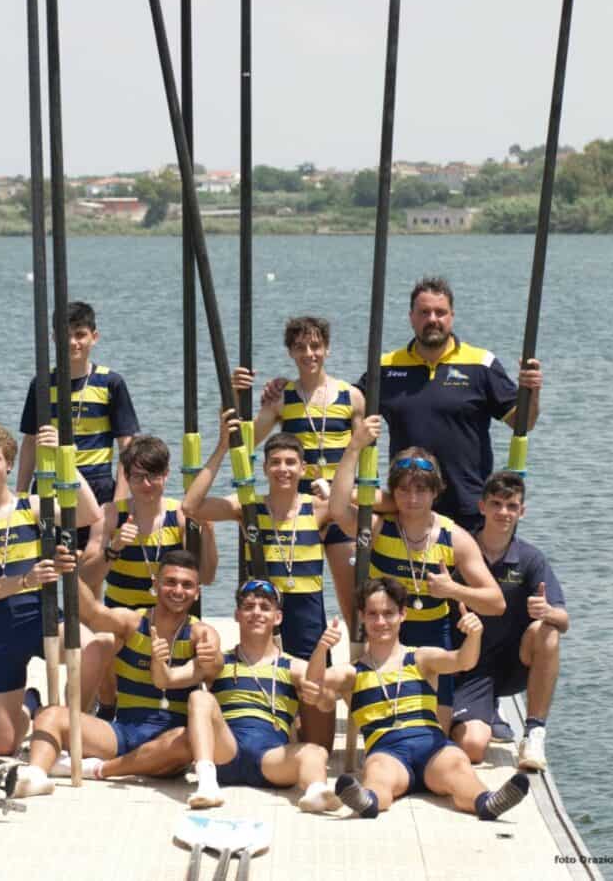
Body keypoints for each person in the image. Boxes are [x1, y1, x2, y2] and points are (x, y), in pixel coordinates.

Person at [0, 421, 113, 756]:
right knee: (4, 746)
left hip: (44, 619)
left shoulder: (33, 506)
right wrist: (24, 580)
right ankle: (31, 703)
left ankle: (72, 718)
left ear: (9, 463)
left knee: (98, 645)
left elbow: (89, 512)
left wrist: (63, 457)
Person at [302, 577, 530, 822]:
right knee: (378, 771)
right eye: (373, 614)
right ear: (363, 617)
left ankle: (487, 802)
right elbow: (314, 685)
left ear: (403, 615)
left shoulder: (421, 658)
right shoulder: (353, 673)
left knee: (457, 765)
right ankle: (368, 801)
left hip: (432, 747)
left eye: (389, 613)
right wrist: (321, 649)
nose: (381, 622)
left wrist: (474, 635)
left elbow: (463, 661)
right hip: (388, 750)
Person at [329, 415, 504, 730]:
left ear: (435, 492)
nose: (412, 499)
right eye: (404, 491)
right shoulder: (381, 527)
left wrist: (454, 590)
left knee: (435, 732)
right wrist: (354, 447)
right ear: (393, 493)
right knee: (387, 725)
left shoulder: (456, 538)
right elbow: (339, 509)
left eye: (421, 491)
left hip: (434, 637)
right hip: (386, 634)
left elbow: (496, 602)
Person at [7, 550, 222, 797]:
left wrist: (211, 654)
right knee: (50, 716)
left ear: (197, 592)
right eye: (170, 582)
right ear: (156, 585)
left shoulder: (201, 633)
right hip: (123, 732)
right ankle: (36, 776)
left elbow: (214, 666)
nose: (178, 591)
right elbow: (93, 614)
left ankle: (98, 769)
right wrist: (71, 571)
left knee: (188, 741)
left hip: (169, 744)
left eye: (187, 585)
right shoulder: (132, 622)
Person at [181, 413, 339, 749]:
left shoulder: (320, 509)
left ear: (303, 469)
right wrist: (223, 447)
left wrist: (336, 484)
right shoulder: (248, 507)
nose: (283, 469)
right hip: (265, 611)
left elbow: (368, 509)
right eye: (276, 462)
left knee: (320, 742)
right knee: (274, 698)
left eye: (291, 463)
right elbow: (191, 506)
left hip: (308, 613)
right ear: (265, 468)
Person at [354, 276, 543, 530]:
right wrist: (291, 387)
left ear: (451, 316)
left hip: (470, 508)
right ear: (411, 317)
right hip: (410, 507)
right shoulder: (387, 367)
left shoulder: (481, 364)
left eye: (440, 312)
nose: (433, 319)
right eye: (424, 312)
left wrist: (532, 391)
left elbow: (525, 422)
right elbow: (347, 406)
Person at [232, 315, 365, 621]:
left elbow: (364, 454)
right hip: (297, 511)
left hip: (340, 507)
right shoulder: (282, 398)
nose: (309, 354)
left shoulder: (351, 396)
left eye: (316, 346)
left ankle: (357, 662)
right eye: (300, 347)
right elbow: (243, 440)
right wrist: (234, 393)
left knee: (352, 599)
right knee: (290, 595)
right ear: (291, 352)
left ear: (327, 349)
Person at [81, 434, 218, 720]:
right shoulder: (110, 515)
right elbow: (85, 577)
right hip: (122, 617)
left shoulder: (179, 516)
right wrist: (114, 548)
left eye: (153, 476)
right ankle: (107, 705)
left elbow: (206, 576)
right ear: (127, 478)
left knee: (210, 650)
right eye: (139, 477)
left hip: (169, 616)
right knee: (102, 641)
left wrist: (209, 535)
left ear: (166, 475)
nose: (146, 485)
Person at [185, 577, 340, 814]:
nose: (256, 613)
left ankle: (316, 792)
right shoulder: (219, 663)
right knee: (200, 698)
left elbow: (323, 693)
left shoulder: (294, 667)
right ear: (237, 615)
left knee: (315, 753)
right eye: (248, 607)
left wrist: (321, 653)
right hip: (226, 751)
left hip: (271, 758)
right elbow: (172, 678)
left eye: (265, 608)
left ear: (277, 617)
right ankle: (207, 784)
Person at [450, 471, 569, 772]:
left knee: (548, 632)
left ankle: (534, 733)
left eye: (512, 506)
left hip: (512, 663)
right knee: (473, 747)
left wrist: (546, 611)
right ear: (482, 507)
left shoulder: (531, 559)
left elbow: (564, 619)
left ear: (522, 511)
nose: (504, 512)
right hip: (468, 665)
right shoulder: (460, 550)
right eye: (497, 504)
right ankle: (484, 709)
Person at [17, 301, 140, 543]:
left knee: (93, 563)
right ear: (53, 339)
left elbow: (127, 448)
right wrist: (20, 495)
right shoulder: (41, 384)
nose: (73, 342)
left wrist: (119, 503)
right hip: (49, 485)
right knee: (50, 563)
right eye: (66, 336)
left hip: (98, 487)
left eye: (80, 335)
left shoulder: (111, 382)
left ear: (94, 337)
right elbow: (30, 442)